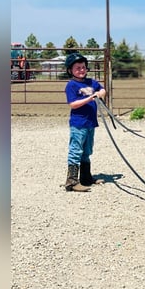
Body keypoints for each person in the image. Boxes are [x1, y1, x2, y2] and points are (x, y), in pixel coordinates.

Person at [63, 52, 106, 192]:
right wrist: (90, 98)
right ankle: (72, 181)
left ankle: (86, 177)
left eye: (83, 67)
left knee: (87, 151)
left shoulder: (92, 82)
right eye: (78, 68)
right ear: (71, 70)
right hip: (78, 124)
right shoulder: (71, 85)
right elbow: (73, 104)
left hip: (90, 123)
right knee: (76, 150)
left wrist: (101, 93)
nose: (81, 70)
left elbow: (102, 89)